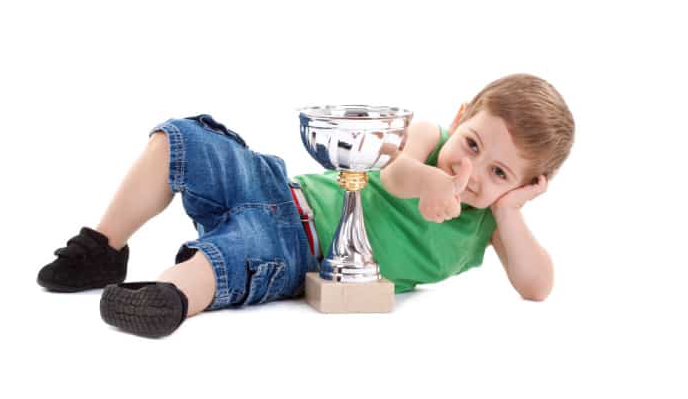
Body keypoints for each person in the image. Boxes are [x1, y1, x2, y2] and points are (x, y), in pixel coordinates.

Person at [37, 73, 575, 338]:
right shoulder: (431, 137)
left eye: (498, 174)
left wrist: (508, 211)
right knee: (182, 140)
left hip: (298, 252)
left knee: (229, 256)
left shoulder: (488, 223)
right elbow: (391, 174)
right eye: (473, 144)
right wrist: (430, 178)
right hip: (278, 189)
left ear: (527, 185)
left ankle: (166, 298)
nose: (469, 172)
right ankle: (103, 247)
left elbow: (537, 286)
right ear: (462, 116)